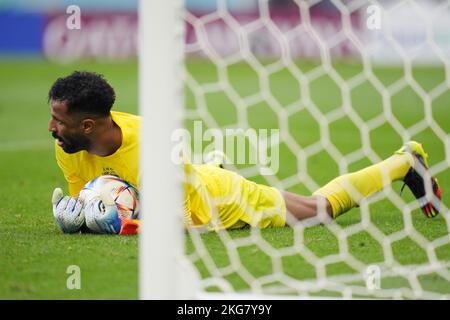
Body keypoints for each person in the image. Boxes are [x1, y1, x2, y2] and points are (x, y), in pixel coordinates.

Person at [49, 71, 442, 235]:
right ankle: (210, 164)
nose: (52, 129)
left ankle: (404, 161)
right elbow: (90, 197)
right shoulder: (68, 146)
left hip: (218, 202)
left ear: (88, 125)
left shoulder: (151, 144)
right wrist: (81, 217)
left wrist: (122, 224)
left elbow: (185, 225)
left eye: (58, 121)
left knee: (317, 210)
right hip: (184, 182)